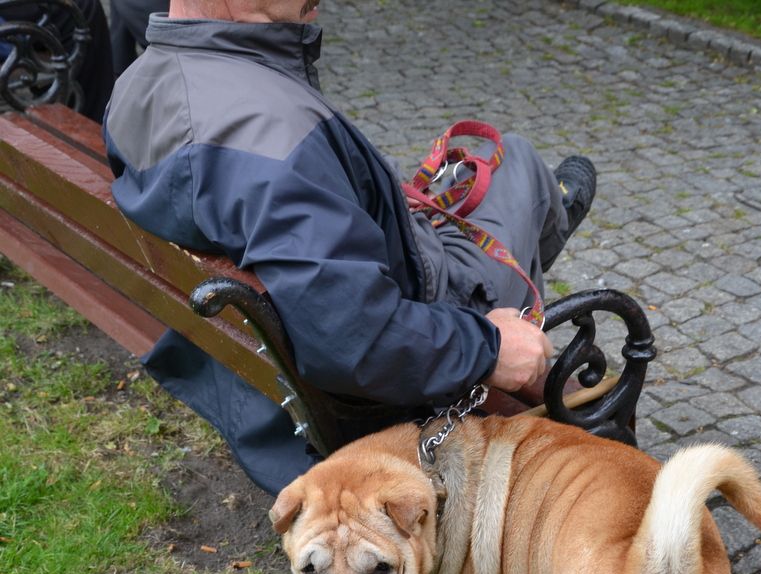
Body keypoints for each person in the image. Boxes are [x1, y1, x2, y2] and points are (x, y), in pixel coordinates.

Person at [102, 0, 596, 495]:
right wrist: (488, 348)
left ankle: (529, 226)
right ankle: (543, 231)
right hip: (425, 326)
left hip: (246, 371)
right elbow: (352, 339)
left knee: (482, 182)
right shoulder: (274, 135)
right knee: (520, 166)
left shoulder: (135, 86)